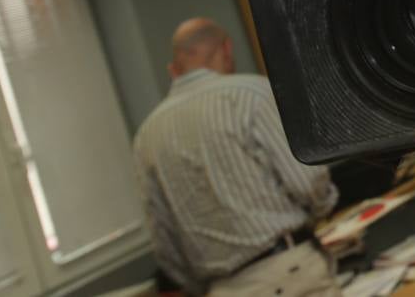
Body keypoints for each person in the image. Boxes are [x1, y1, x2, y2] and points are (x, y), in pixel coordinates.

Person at [133, 18, 341, 297]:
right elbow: (307, 181)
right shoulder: (251, 94)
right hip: (288, 273)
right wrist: (323, 209)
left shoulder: (147, 136)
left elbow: (164, 240)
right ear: (226, 49)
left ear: (176, 67)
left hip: (224, 289)